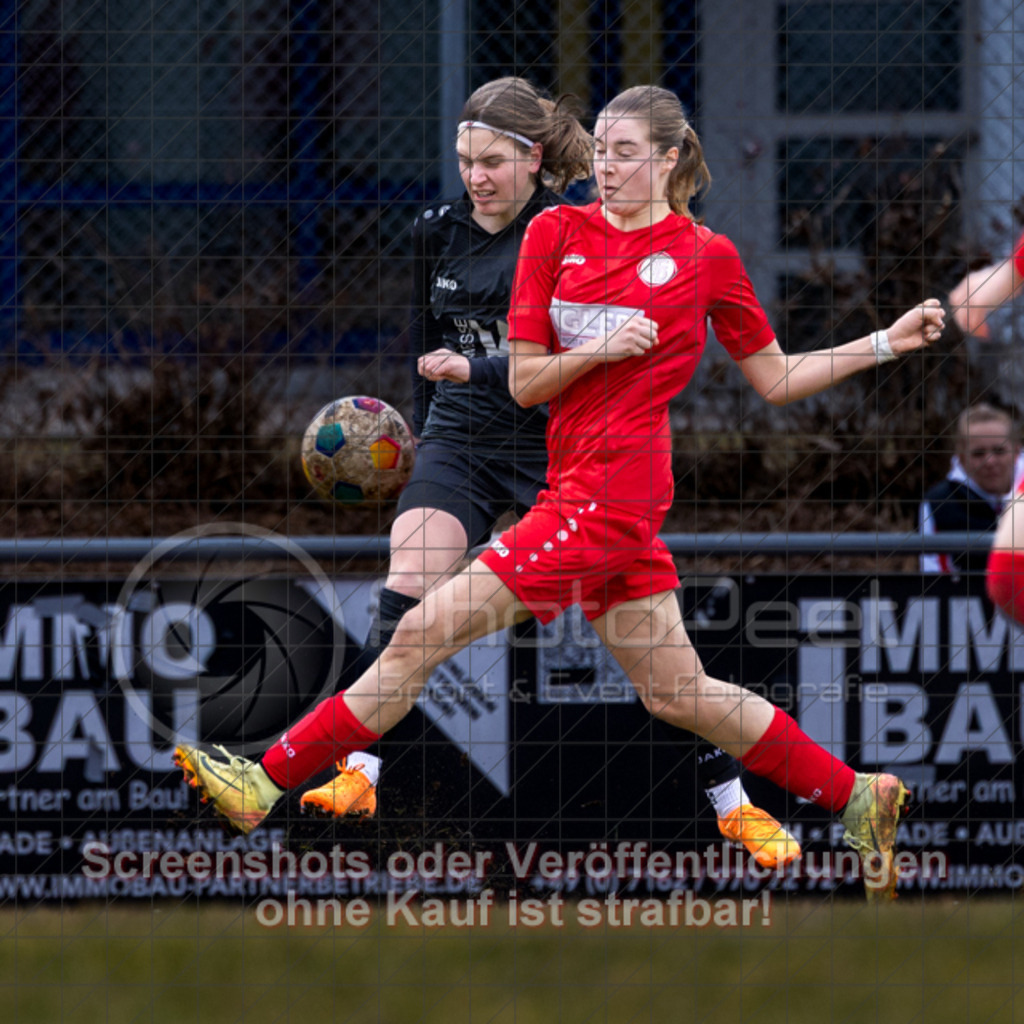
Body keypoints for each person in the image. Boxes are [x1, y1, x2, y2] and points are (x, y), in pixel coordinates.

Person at [176, 85, 945, 901]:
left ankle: (264, 781)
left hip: (610, 501)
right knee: (679, 694)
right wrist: (605, 348)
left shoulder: (705, 256)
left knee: (418, 634)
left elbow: (777, 376)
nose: (606, 169)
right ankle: (859, 795)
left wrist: (883, 343)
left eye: (625, 154)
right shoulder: (556, 231)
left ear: (671, 157)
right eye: (602, 151)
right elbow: (531, 381)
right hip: (578, 490)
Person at [298, 77, 799, 868]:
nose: (475, 177)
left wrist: (482, 368)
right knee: (409, 577)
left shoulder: (570, 231)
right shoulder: (435, 231)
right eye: (464, 161)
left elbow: (560, 361)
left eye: (492, 161)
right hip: (462, 444)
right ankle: (359, 768)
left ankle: (730, 798)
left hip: (555, 450)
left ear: (535, 161)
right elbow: (428, 347)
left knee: (656, 658)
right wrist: (422, 445)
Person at [920, 403, 1022, 574]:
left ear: (1016, 452)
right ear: (961, 458)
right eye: (978, 453)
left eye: (999, 451)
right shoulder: (938, 503)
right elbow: (932, 575)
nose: (990, 462)